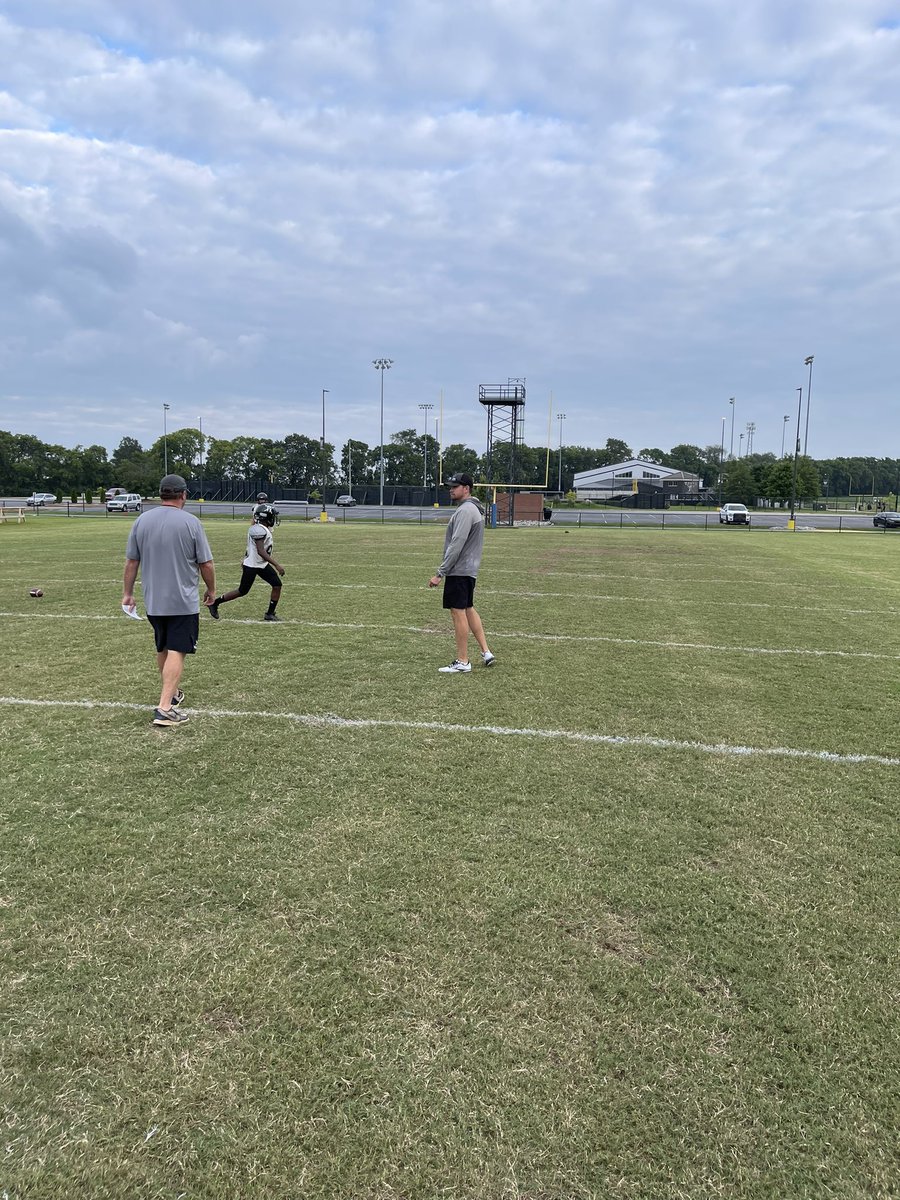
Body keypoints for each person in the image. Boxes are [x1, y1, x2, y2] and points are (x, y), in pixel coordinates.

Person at [122, 474, 216, 728]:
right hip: (182, 600)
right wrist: (212, 589)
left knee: (163, 647)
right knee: (178, 649)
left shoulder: (142, 520)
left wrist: (127, 593)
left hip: (153, 599)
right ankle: (165, 708)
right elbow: (205, 563)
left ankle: (172, 693)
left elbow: (132, 561)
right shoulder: (191, 523)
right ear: (183, 495)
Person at [428, 471, 495, 672]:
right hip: (468, 569)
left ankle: (463, 661)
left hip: (460, 570)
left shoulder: (466, 510)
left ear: (466, 489)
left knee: (458, 612)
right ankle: (486, 651)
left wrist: (440, 573)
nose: (451, 489)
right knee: (468, 608)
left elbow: (457, 544)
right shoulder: (472, 509)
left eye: (455, 486)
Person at [208, 505, 285, 622]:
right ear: (267, 517)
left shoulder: (262, 529)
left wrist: (245, 557)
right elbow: (260, 551)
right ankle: (215, 603)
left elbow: (251, 549)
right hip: (253, 565)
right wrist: (277, 565)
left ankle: (270, 613)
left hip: (261, 564)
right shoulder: (258, 529)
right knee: (242, 591)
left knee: (277, 585)